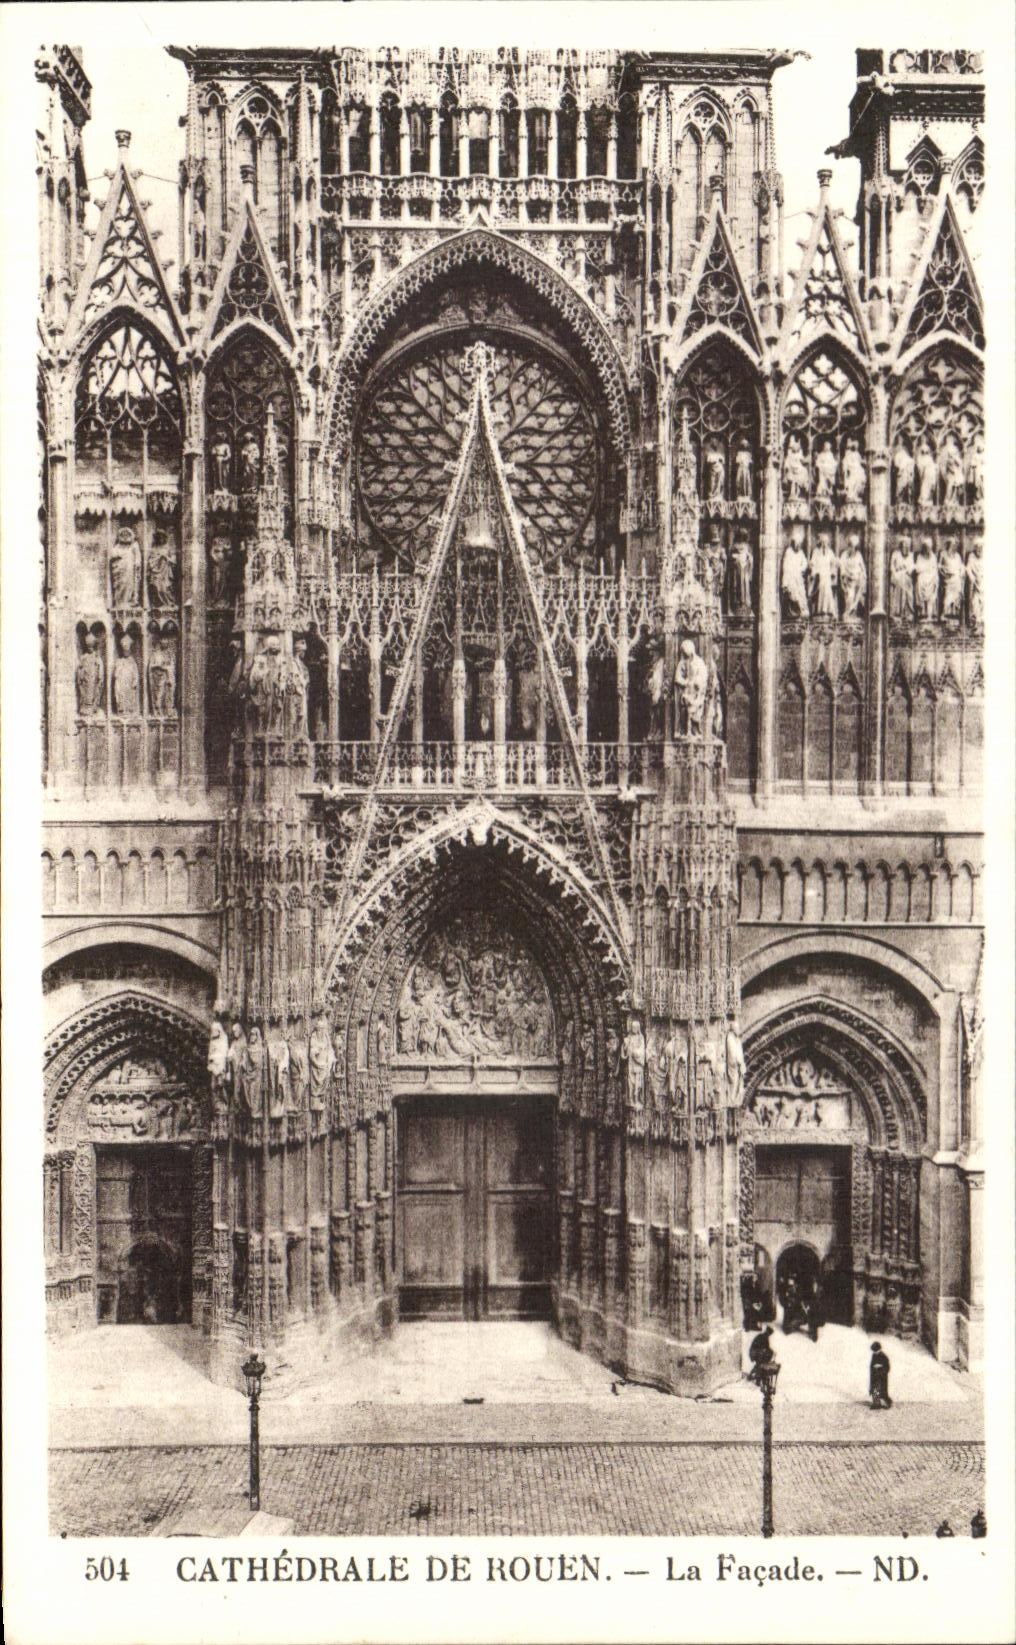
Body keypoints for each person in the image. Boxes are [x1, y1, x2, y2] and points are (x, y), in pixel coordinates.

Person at [869, 1341, 892, 1408]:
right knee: (875, 1390)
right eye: (873, 1350)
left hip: (881, 1376)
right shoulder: (874, 1355)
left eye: (875, 1350)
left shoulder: (884, 1356)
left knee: (882, 1391)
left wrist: (880, 1366)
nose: (874, 1352)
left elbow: (887, 1367)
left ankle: (888, 1403)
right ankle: (876, 1404)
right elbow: (872, 1365)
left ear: (879, 1349)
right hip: (875, 1376)